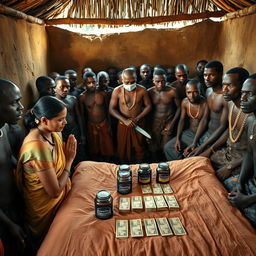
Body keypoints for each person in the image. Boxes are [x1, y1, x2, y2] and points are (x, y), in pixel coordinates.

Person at [16, 96, 77, 245]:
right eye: (60, 119)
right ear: (43, 120)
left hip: (62, 193)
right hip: (45, 210)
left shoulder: (53, 132)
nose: (65, 122)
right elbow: (54, 191)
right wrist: (69, 160)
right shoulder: (36, 148)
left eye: (65, 117)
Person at [208, 68, 249, 181]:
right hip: (227, 153)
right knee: (200, 164)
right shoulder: (230, 104)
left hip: (241, 161)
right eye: (223, 85)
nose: (224, 90)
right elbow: (229, 131)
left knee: (227, 184)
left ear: (243, 87)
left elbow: (252, 153)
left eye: (229, 86)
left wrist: (229, 168)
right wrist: (210, 149)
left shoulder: (251, 114)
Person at [0, 78, 26, 256]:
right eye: (15, 103)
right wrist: (8, 224)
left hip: (15, 204)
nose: (21, 107)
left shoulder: (6, 129)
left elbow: (9, 159)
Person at [227, 74, 256, 228]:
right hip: (252, 183)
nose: (243, 99)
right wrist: (240, 182)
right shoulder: (251, 121)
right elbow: (250, 155)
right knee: (225, 188)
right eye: (243, 93)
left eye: (249, 94)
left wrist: (248, 199)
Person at [185, 61, 228, 157]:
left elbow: (223, 126)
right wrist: (195, 142)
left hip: (217, 138)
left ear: (220, 74)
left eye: (211, 75)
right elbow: (204, 119)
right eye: (205, 75)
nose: (207, 79)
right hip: (207, 135)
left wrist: (202, 147)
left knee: (194, 160)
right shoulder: (208, 91)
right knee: (187, 155)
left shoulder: (225, 97)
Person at [109, 68, 151, 163]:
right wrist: (125, 120)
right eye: (127, 82)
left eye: (133, 82)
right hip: (123, 125)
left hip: (138, 124)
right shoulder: (117, 91)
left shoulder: (142, 90)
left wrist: (137, 119)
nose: (129, 85)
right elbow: (111, 109)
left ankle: (139, 170)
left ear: (136, 79)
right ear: (122, 80)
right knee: (123, 149)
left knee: (139, 148)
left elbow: (149, 106)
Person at [164, 79, 208, 160]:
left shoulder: (205, 103)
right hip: (189, 133)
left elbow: (204, 122)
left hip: (202, 136)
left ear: (200, 91)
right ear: (186, 92)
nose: (192, 96)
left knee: (196, 155)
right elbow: (182, 120)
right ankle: (180, 166)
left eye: (195, 92)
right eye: (189, 92)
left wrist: (194, 143)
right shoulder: (185, 102)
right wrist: (178, 139)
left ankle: (186, 164)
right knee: (168, 147)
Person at [79, 72, 114, 161]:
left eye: (94, 82)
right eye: (89, 83)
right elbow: (82, 116)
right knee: (94, 149)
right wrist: (83, 132)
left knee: (107, 148)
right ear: (84, 84)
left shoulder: (103, 94)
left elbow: (108, 111)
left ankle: (108, 166)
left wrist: (110, 125)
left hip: (104, 124)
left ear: (97, 82)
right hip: (91, 125)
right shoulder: (82, 97)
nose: (92, 85)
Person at [148, 69, 181, 161]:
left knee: (165, 147)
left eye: (163, 81)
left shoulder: (172, 91)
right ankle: (154, 168)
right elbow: (146, 111)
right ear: (153, 81)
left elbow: (179, 108)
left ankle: (166, 169)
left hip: (168, 121)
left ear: (166, 80)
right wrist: (148, 128)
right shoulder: (149, 92)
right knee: (153, 148)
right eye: (157, 81)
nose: (160, 84)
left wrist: (172, 123)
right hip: (154, 122)